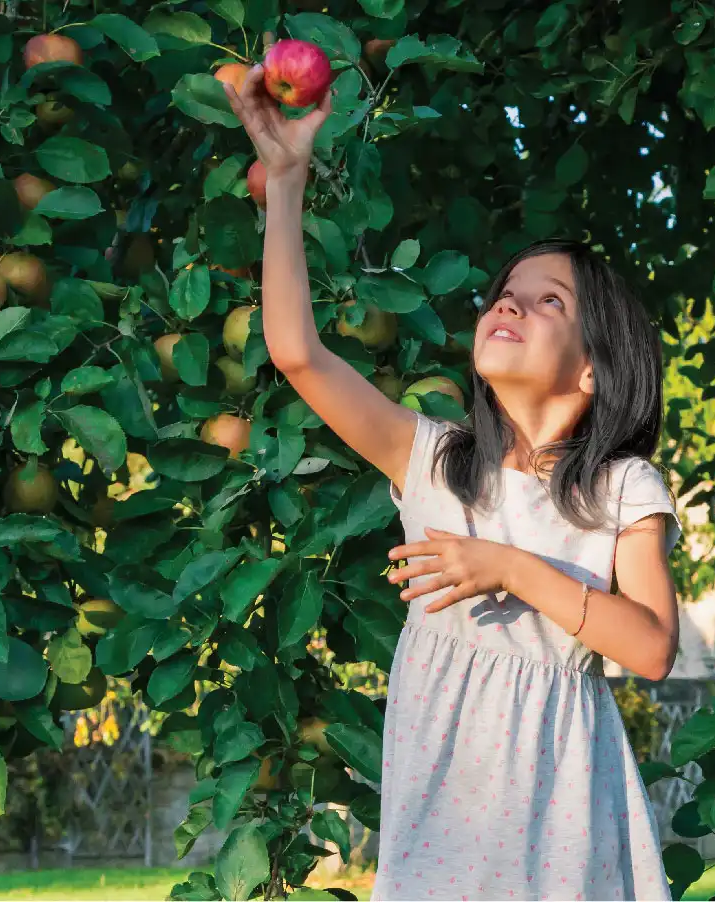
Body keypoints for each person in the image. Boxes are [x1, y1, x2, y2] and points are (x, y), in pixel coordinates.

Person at [224, 64, 682, 901]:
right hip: (444, 820)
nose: (508, 305)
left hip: (561, 820)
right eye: (504, 295)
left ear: (593, 369)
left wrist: (508, 568)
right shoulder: (432, 460)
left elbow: (650, 649)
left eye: (548, 302)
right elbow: (297, 354)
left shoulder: (620, 488)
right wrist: (285, 184)